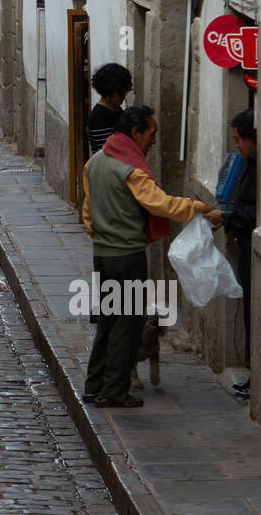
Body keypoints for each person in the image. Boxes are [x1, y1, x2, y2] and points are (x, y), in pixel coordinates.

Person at [81, 107, 212, 408]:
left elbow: (88, 212)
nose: (153, 141)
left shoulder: (96, 162)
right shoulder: (132, 171)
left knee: (108, 322)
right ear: (135, 134)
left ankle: (94, 384)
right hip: (127, 257)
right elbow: (161, 204)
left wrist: (102, 236)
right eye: (151, 134)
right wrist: (199, 207)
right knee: (127, 325)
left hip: (103, 254)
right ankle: (113, 391)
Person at [207, 109, 257, 398]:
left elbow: (252, 211)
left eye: (239, 139)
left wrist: (227, 217)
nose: (236, 145)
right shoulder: (246, 163)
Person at [88, 63, 133, 153]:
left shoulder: (116, 109)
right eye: (120, 93)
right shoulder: (98, 116)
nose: (124, 96)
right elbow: (108, 152)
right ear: (109, 91)